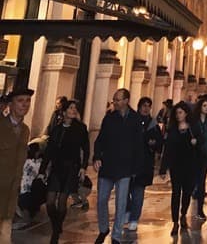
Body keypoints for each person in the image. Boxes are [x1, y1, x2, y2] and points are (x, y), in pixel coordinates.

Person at [93, 88, 144, 244]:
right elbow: (100, 139)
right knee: (101, 200)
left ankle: (116, 235)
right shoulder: (109, 118)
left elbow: (138, 145)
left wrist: (136, 167)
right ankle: (103, 228)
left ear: (126, 101)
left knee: (121, 203)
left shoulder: (135, 119)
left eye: (117, 99)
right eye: (114, 99)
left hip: (125, 167)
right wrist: (97, 156)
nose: (114, 102)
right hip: (107, 165)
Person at [40, 98, 90, 244]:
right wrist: (42, 170)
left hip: (71, 168)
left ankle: (56, 232)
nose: (73, 110)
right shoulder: (56, 129)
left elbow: (86, 149)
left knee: (62, 201)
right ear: (64, 111)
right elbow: (49, 151)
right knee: (50, 201)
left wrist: (83, 167)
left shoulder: (80, 128)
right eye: (70, 108)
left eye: (75, 108)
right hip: (57, 167)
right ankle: (56, 224)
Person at [160, 101, 200, 235]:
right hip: (176, 165)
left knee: (187, 192)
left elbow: (200, 145)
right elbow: (168, 149)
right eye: (176, 113)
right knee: (176, 193)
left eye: (180, 112)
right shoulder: (172, 129)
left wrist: (196, 143)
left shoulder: (193, 129)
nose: (178, 115)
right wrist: (163, 167)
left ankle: (183, 214)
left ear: (186, 113)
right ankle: (175, 221)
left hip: (190, 165)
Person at [125, 96, 163, 232]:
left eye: (149, 106)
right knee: (125, 190)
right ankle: (128, 210)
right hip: (129, 162)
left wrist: (154, 144)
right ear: (139, 106)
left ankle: (134, 218)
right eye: (144, 105)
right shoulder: (132, 121)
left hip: (144, 164)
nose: (146, 108)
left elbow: (160, 143)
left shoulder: (153, 125)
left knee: (138, 192)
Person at [0, 84, 33, 240]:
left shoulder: (25, 130)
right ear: (10, 104)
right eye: (20, 100)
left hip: (11, 192)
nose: (25, 104)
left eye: (27, 101)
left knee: (6, 232)